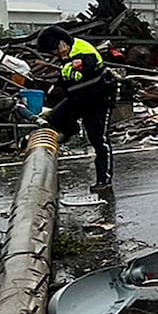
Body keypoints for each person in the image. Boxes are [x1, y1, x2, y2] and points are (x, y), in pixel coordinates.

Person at [37, 25, 115, 194]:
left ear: (60, 44)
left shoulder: (83, 52)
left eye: (52, 51)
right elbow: (66, 79)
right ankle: (71, 129)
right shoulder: (69, 54)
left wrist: (65, 61)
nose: (52, 56)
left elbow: (78, 77)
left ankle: (104, 179)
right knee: (53, 118)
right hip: (78, 98)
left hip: (97, 100)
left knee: (99, 141)